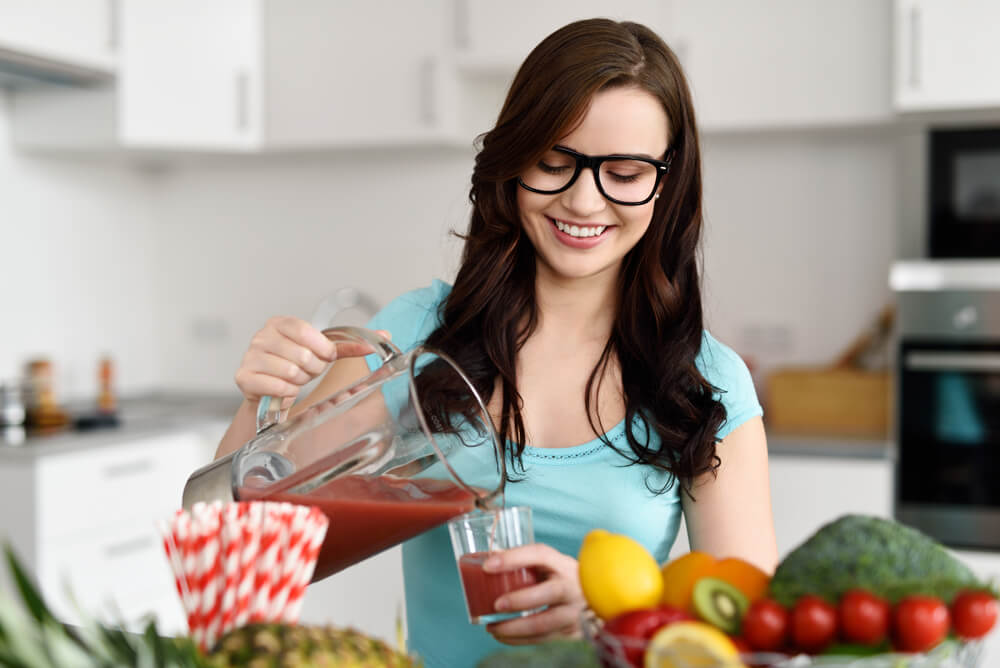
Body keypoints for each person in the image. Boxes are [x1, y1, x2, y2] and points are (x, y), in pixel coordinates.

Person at [215, 17, 777, 667]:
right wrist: (262, 403)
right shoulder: (421, 336)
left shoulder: (705, 381)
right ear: (514, 161)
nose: (585, 200)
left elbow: (752, 634)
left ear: (667, 180)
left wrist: (605, 614)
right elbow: (241, 552)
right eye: (555, 162)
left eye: (622, 171)